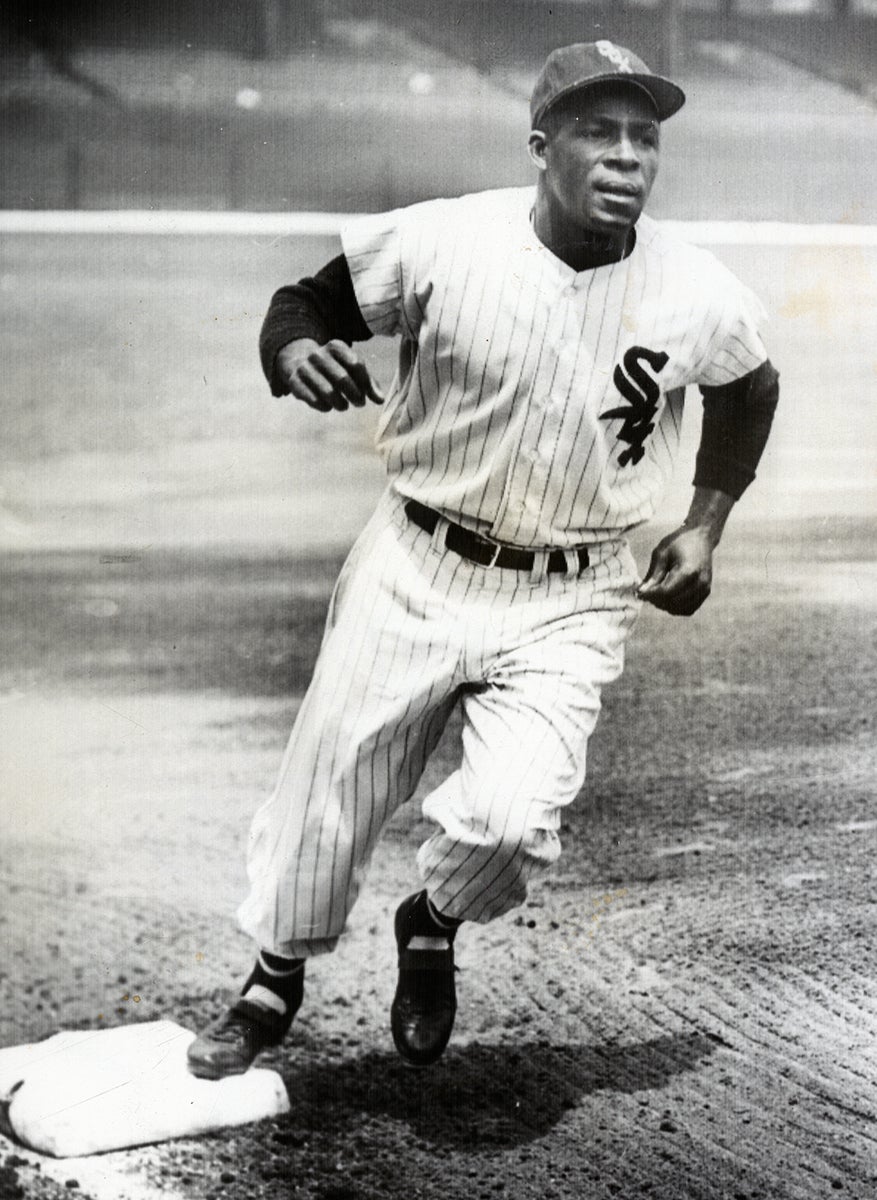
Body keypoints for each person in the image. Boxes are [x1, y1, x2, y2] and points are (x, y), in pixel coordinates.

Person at [187, 40, 779, 1079]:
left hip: (575, 590)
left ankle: (431, 919)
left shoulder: (695, 290)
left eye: (645, 137)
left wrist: (706, 520)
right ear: (541, 148)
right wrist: (290, 352)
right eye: (600, 132)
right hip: (415, 565)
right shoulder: (442, 240)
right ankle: (271, 981)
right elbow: (308, 305)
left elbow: (748, 387)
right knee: (332, 789)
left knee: (508, 823)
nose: (628, 156)